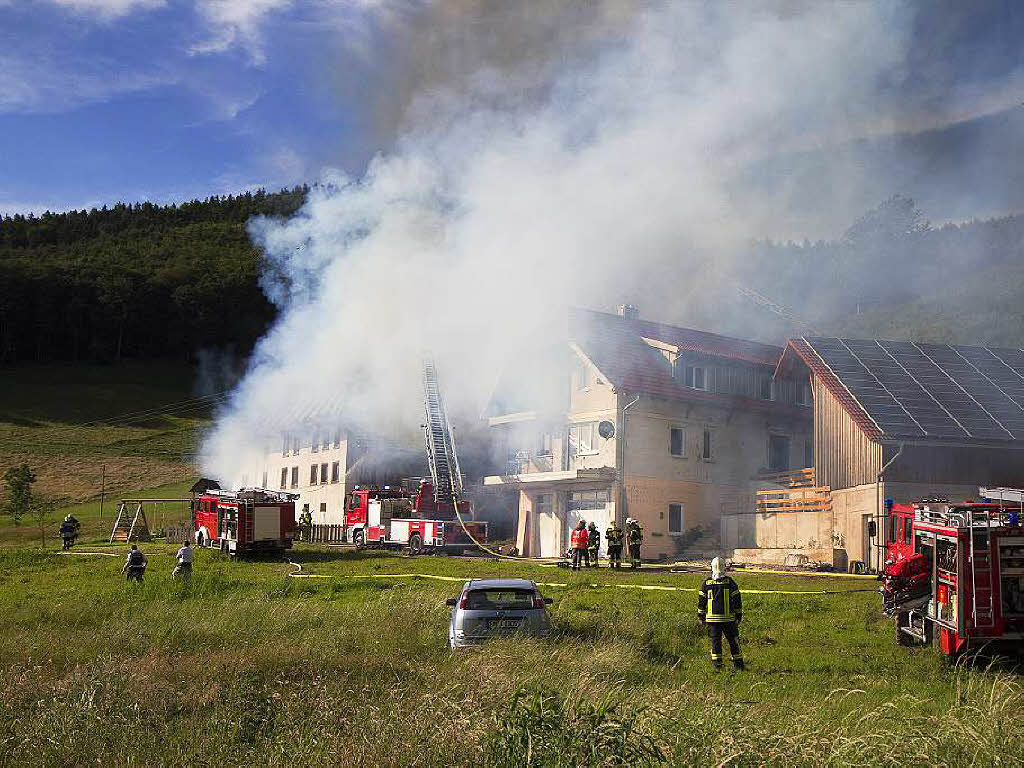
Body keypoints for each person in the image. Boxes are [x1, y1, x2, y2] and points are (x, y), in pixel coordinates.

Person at [697, 557, 745, 670]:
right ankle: (739, 665)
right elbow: (737, 599)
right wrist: (738, 615)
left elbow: (701, 601)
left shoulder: (707, 583)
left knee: (716, 643)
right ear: (724, 567)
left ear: (711, 567)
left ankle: (717, 666)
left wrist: (701, 616)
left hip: (713, 621)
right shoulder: (730, 582)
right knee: (733, 641)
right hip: (729, 620)